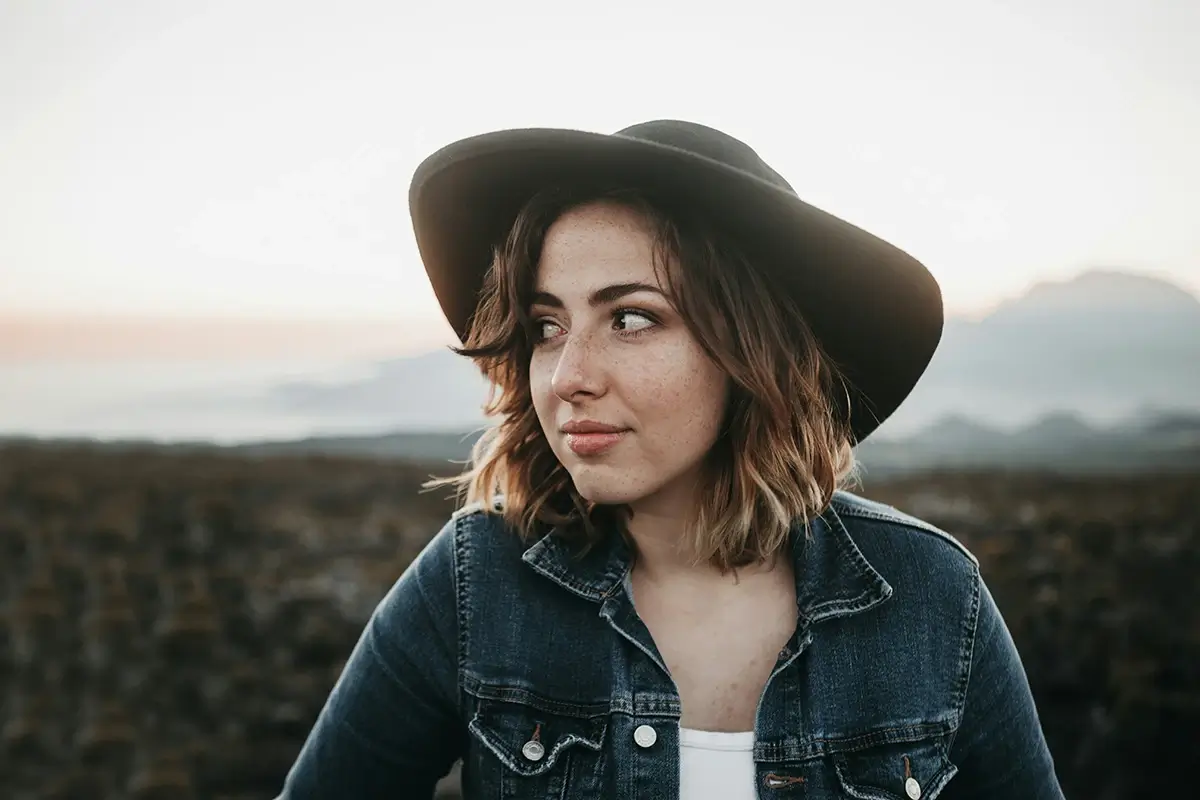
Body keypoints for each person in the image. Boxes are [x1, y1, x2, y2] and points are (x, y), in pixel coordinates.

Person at [276, 120, 1065, 799]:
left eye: (629, 318)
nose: (570, 376)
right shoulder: (480, 583)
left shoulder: (928, 599)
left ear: (751, 350)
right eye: (547, 327)